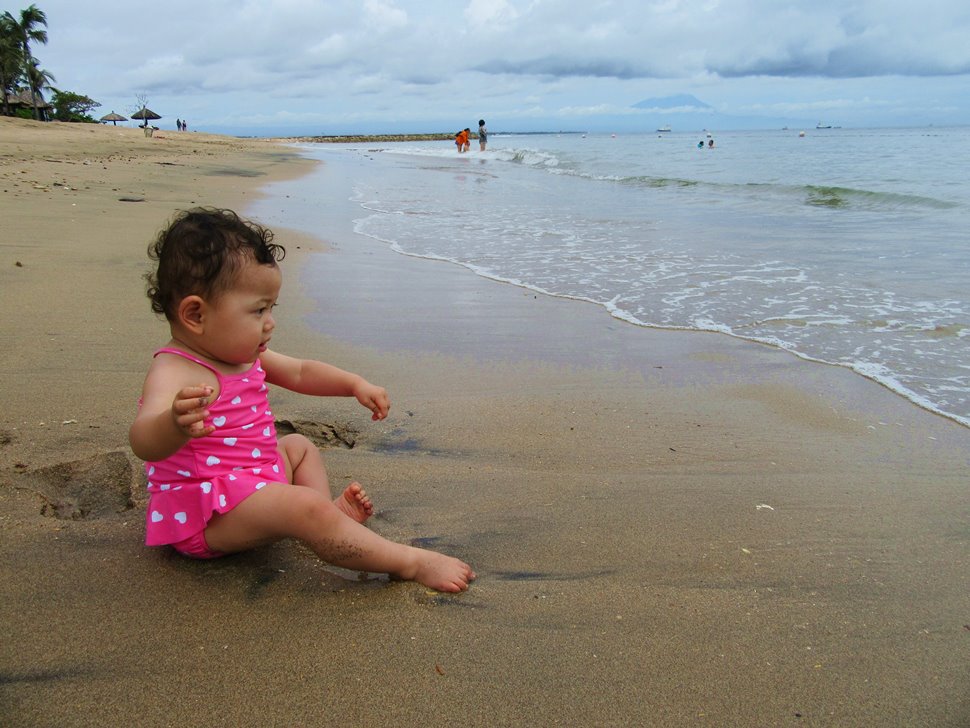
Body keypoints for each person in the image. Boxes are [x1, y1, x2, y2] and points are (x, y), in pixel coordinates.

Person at [129, 208, 476, 593]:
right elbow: (143, 441)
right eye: (258, 309)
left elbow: (300, 372)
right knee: (300, 507)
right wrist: (172, 425)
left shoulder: (244, 356)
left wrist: (353, 383)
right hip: (208, 518)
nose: (270, 321)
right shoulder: (175, 371)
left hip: (255, 487)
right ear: (195, 314)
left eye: (271, 308)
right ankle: (408, 562)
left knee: (298, 447)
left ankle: (328, 515)